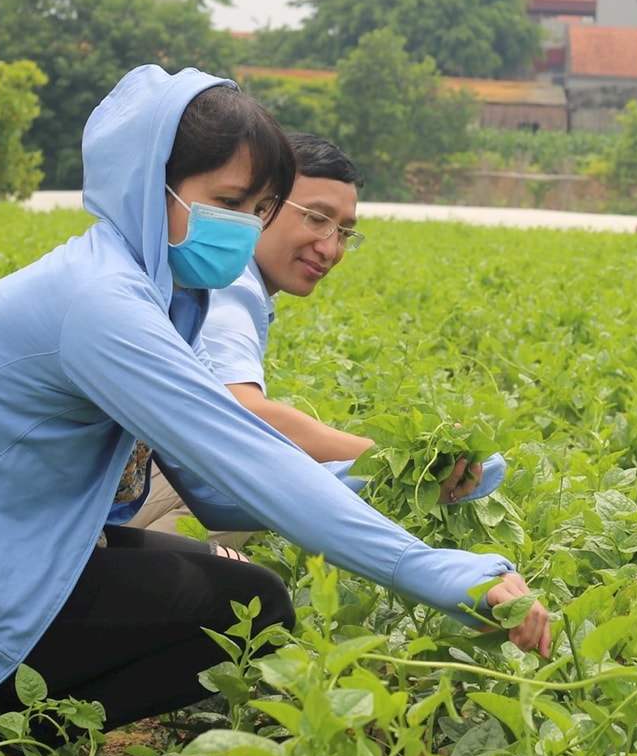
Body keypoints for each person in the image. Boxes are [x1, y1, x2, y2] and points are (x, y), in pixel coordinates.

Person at [0, 65, 551, 756]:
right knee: (245, 609)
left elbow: (211, 486)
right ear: (151, 185)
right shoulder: (102, 304)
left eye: (259, 206)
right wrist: (437, 571)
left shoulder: (157, 291)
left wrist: (391, 485)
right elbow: (253, 460)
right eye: (227, 202)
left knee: (243, 591)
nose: (243, 225)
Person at [128, 133, 491, 549]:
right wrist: (395, 458)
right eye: (316, 219)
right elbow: (241, 414)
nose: (330, 248)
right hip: (84, 497)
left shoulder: (227, 275)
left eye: (343, 233)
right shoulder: (230, 282)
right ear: (262, 206)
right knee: (255, 481)